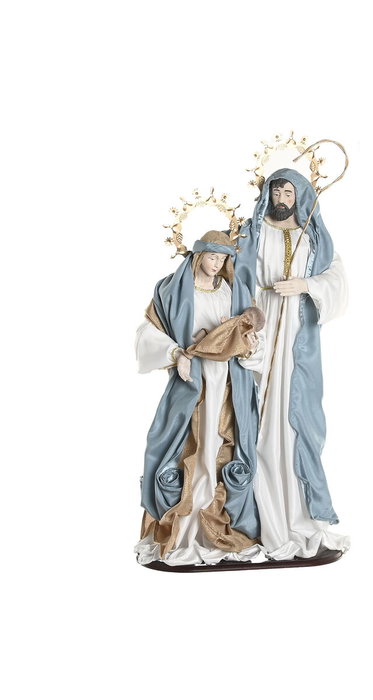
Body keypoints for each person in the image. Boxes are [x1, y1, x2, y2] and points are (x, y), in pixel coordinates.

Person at [233, 168, 350, 560]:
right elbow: (231, 277)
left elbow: (338, 281)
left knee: (294, 417)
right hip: (260, 326)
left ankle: (297, 512)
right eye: (276, 191)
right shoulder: (252, 233)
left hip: (298, 335)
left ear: (300, 197)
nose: (282, 199)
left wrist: (306, 286)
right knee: (254, 413)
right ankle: (253, 514)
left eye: (289, 193)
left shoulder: (314, 237)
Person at [135, 230, 265, 566]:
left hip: (229, 383)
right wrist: (176, 353)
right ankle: (185, 527)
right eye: (212, 257)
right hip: (193, 380)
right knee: (187, 444)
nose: (217, 264)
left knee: (221, 446)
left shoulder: (232, 291)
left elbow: (252, 337)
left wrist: (246, 343)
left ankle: (215, 524)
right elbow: (147, 332)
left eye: (223, 258)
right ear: (198, 256)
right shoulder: (173, 291)